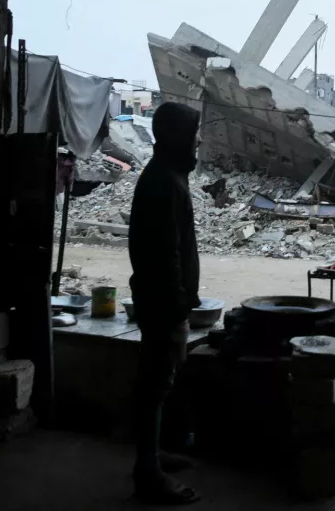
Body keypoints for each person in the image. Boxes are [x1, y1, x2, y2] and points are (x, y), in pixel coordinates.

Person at [128, 102, 203, 505]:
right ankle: (147, 472)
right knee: (155, 383)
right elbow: (165, 255)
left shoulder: (169, 175)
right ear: (178, 137)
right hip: (162, 301)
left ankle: (152, 454)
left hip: (162, 298)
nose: (197, 142)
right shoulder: (163, 182)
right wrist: (177, 310)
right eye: (193, 134)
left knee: (159, 379)